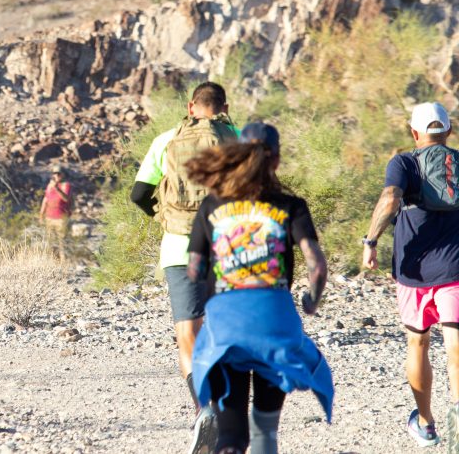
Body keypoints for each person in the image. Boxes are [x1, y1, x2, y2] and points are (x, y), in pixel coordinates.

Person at [187, 122, 333, 454]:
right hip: (275, 319)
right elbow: (317, 266)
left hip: (227, 323)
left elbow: (194, 269)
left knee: (230, 435)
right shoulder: (290, 206)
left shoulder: (211, 206)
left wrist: (216, 285)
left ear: (236, 156)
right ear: (277, 161)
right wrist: (311, 300)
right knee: (265, 429)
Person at [129, 81, 238, 451]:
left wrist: (161, 214)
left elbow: (138, 193)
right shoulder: (238, 138)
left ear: (192, 106)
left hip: (179, 249)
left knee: (187, 334)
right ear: (224, 107)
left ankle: (203, 408)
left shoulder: (166, 140)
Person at [363, 102, 459, 447]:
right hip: (456, 269)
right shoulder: (458, 162)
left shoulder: (404, 162)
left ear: (414, 133)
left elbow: (390, 198)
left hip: (413, 272)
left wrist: (371, 240)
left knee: (417, 342)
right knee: (455, 346)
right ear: (448, 131)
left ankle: (426, 422)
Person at [39, 164, 72, 262]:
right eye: (55, 174)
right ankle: (53, 262)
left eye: (58, 174)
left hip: (61, 218)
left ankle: (63, 262)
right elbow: (45, 200)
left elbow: (66, 198)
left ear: (62, 175)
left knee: (62, 242)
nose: (56, 176)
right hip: (49, 217)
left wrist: (57, 188)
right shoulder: (49, 186)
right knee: (50, 241)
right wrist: (41, 215)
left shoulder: (66, 185)